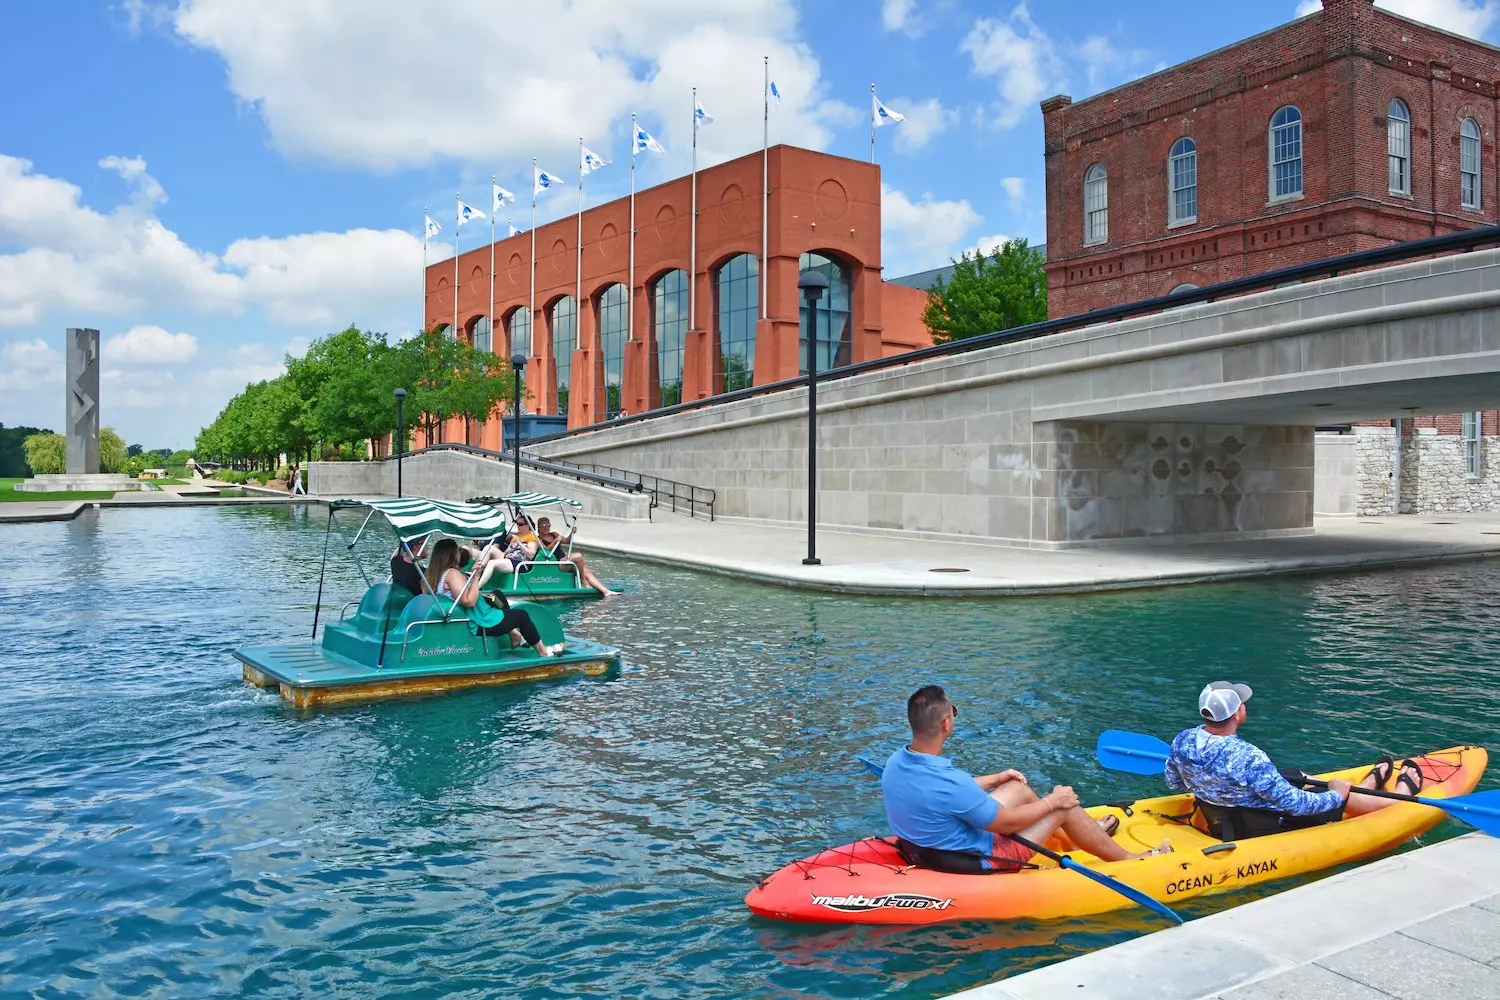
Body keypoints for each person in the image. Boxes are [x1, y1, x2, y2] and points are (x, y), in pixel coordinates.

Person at [882, 686, 1170, 873]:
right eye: (954, 712)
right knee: (1064, 806)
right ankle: (1129, 860)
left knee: (1016, 788)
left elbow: (943, 794)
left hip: (930, 846)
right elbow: (1008, 824)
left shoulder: (897, 761)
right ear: (946, 723)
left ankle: (1073, 840)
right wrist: (1052, 801)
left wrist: (997, 778)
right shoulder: (951, 783)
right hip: (981, 857)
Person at [1164, 681, 1424, 840]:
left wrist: (1211, 782)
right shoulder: (1249, 757)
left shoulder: (1182, 740)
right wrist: (1335, 796)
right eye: (1243, 703)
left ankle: (1367, 784)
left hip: (1223, 816)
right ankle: (1400, 794)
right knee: (1327, 793)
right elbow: (1298, 806)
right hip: (1263, 822)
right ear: (1236, 713)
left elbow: (1174, 783)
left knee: (1295, 773)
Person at [426, 539, 563, 656]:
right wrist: (475, 576)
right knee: (522, 615)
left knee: (497, 595)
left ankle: (515, 635)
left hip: (469, 617)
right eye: (458, 550)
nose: (460, 552)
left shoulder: (434, 575)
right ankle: (543, 652)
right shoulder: (452, 574)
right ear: (451, 554)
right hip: (477, 623)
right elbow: (469, 601)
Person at [536, 516, 619, 597]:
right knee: (578, 556)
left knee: (586, 571)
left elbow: (567, 541)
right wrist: (555, 541)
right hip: (557, 563)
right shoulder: (538, 539)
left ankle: (605, 591)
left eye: (548, 525)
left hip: (565, 561)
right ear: (539, 527)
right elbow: (545, 551)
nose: (546, 527)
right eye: (543, 525)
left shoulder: (554, 534)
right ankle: (583, 581)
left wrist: (572, 533)